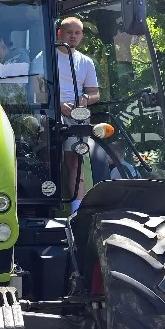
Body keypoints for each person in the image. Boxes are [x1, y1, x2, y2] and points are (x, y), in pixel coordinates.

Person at [55, 17, 101, 213]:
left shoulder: (86, 62)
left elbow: (95, 94)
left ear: (82, 36)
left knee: (76, 161)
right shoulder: (45, 57)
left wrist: (83, 100)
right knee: (47, 159)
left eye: (77, 33)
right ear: (60, 34)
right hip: (50, 113)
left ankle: (77, 211)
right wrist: (56, 104)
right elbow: (35, 88)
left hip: (77, 116)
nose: (73, 36)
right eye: (69, 32)